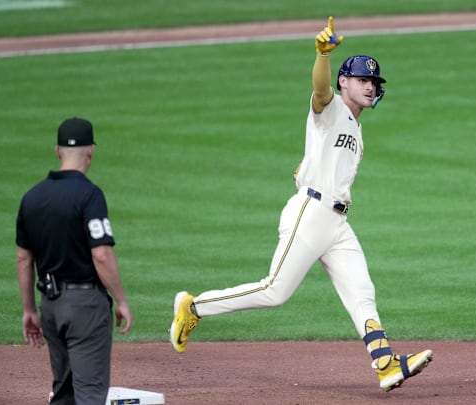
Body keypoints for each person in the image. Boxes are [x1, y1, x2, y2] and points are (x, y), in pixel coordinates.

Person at [169, 16, 432, 392]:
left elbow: (326, 162)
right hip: (311, 214)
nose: (371, 86)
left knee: (361, 291)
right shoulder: (332, 108)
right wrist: (322, 55)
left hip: (337, 223)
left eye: (374, 82)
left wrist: (308, 167)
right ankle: (193, 307)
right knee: (274, 291)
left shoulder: (357, 129)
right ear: (345, 82)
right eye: (363, 80)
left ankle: (385, 363)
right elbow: (320, 89)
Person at [16, 117, 133, 404]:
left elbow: (23, 258)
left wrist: (30, 309)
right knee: (90, 395)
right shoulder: (89, 195)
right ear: (91, 151)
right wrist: (121, 300)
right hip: (86, 308)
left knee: (64, 393)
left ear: (57, 150)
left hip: (51, 307)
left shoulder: (32, 197)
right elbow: (101, 253)